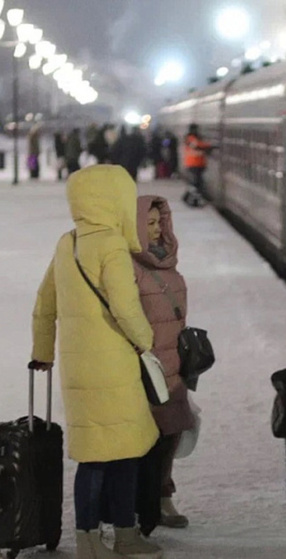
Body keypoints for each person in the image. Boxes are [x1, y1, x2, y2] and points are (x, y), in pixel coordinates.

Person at [30, 165, 164, 559]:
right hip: (113, 365)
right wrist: (145, 340)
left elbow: (45, 304)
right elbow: (124, 306)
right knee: (122, 454)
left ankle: (105, 536)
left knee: (98, 453)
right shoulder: (111, 246)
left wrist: (43, 352)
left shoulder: (66, 243)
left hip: (79, 368)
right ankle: (110, 536)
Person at [132, 195, 194, 528]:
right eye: (149, 224)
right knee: (149, 442)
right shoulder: (130, 265)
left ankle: (163, 497)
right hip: (148, 368)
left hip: (175, 365)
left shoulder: (167, 261)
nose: (156, 231)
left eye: (160, 223)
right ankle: (146, 506)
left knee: (170, 437)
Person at [183, 124, 212, 206]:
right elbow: (199, 145)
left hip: (196, 164)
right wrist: (209, 146)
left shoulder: (190, 138)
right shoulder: (191, 139)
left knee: (196, 183)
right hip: (194, 164)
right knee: (196, 183)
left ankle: (188, 198)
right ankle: (193, 201)